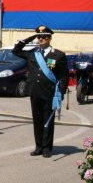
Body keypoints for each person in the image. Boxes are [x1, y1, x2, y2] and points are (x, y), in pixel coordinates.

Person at [13, 25, 68, 158]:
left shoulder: (58, 55)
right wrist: (29, 38)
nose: (41, 39)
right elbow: (16, 51)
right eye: (39, 37)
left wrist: (61, 93)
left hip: (49, 93)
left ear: (49, 38)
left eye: (43, 37)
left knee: (48, 121)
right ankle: (38, 146)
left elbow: (63, 76)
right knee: (37, 121)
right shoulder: (33, 53)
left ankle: (47, 147)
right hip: (34, 92)